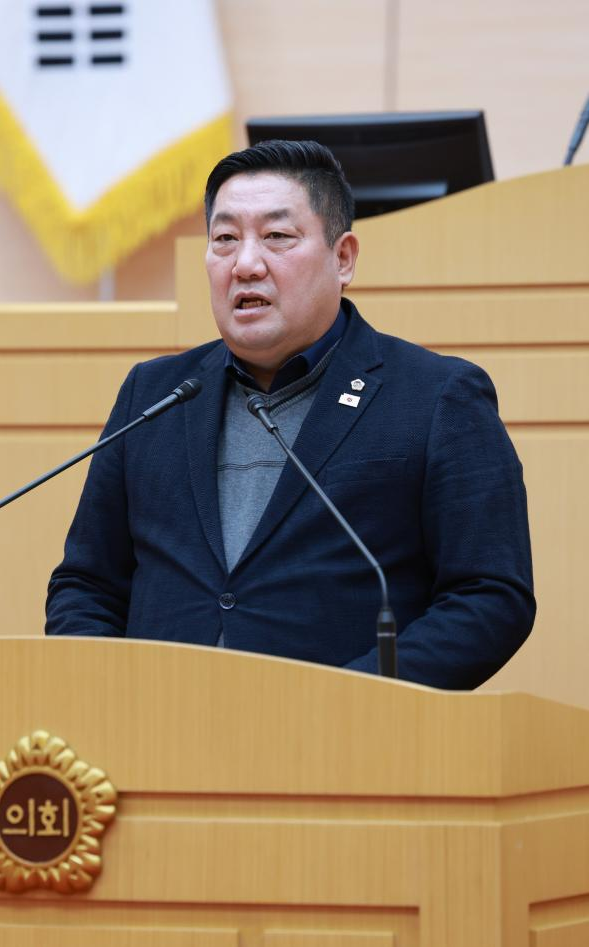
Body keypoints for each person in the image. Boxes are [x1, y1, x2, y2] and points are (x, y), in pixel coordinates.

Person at [45, 140, 535, 690]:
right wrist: (106, 692)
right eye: (225, 239)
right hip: (157, 726)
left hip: (345, 734)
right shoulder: (153, 394)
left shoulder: (435, 395)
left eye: (277, 236)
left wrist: (348, 702)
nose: (245, 264)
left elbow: (490, 597)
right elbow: (87, 585)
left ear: (343, 258)